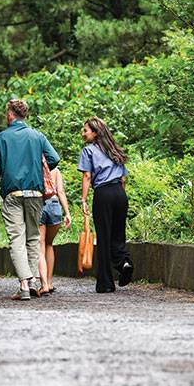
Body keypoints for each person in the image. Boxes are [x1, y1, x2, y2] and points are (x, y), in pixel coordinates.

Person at [0, 99, 60, 301]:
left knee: (17, 238)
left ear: (10, 115)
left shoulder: (1, 138)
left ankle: (24, 286)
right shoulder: (37, 136)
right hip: (35, 194)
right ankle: (33, 281)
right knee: (33, 238)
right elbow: (53, 159)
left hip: (13, 195)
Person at [78, 116, 133, 294]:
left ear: (94, 133)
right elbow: (123, 179)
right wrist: (120, 193)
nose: (83, 133)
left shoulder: (89, 150)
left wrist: (84, 199)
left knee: (104, 237)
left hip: (103, 194)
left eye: (85, 130)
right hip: (120, 193)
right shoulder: (115, 150)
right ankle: (124, 262)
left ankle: (106, 283)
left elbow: (87, 176)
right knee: (118, 233)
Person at [38, 160, 72, 294]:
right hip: (54, 204)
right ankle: (50, 282)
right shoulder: (56, 170)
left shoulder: (35, 168)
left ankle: (44, 284)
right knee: (49, 244)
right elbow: (61, 191)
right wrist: (67, 213)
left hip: (40, 204)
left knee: (40, 245)